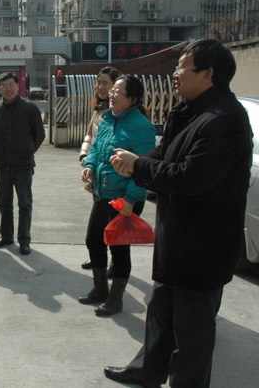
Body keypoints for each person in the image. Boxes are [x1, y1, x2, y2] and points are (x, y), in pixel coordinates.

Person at [105, 39, 252, 387]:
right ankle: (148, 370)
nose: (175, 73)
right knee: (161, 311)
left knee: (192, 332)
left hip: (204, 246)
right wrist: (136, 163)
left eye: (183, 67)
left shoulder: (225, 119)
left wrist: (138, 165)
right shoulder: (187, 111)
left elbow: (190, 177)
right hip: (177, 237)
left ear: (207, 74)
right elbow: (163, 155)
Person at [79, 75, 155, 316]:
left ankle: (115, 298)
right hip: (103, 193)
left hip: (125, 198)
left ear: (133, 98)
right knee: (94, 240)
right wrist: (89, 166)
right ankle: (100, 288)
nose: (112, 95)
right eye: (112, 91)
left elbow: (144, 168)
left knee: (119, 249)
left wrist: (131, 199)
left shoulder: (141, 126)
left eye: (118, 92)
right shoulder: (107, 119)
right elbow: (96, 148)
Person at [0, 72, 46, 255]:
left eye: (11, 85)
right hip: (2, 165)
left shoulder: (30, 108)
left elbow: (39, 134)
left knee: (25, 204)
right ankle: (6, 236)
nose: (8, 89)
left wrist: (27, 151)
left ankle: (24, 240)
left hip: (23, 165)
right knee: (4, 203)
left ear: (18, 85)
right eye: (4, 86)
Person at [79, 67, 122, 273]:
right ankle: (98, 257)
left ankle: (116, 261)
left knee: (113, 222)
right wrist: (84, 156)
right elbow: (90, 135)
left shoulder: (119, 114)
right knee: (98, 222)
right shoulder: (99, 109)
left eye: (105, 83)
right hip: (96, 171)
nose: (100, 87)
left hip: (113, 175)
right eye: (98, 82)